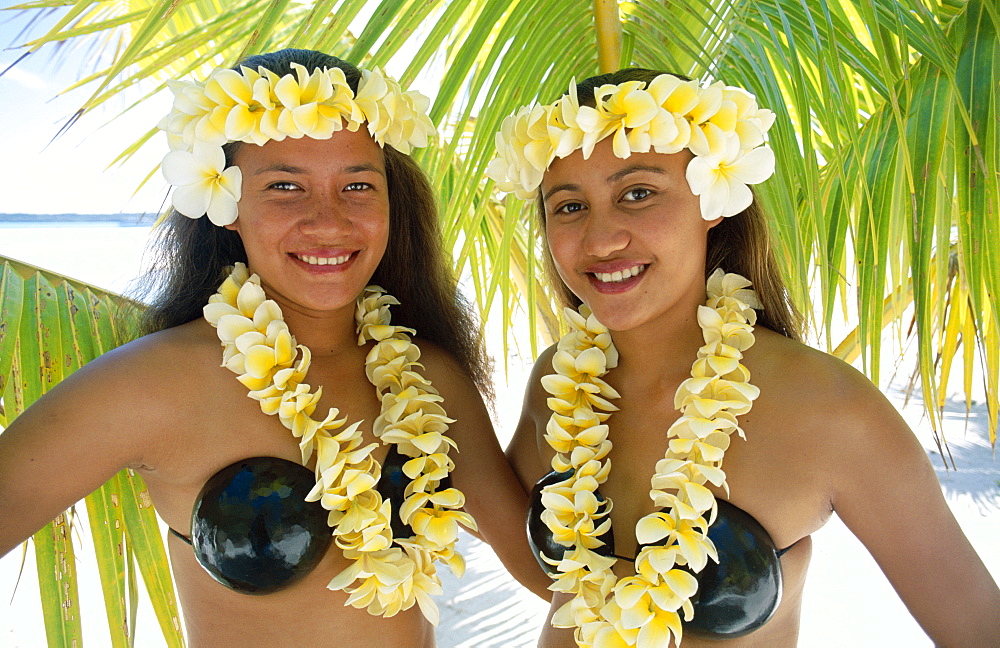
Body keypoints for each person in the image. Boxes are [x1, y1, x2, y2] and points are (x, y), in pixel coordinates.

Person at [0, 48, 549, 647]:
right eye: (285, 185)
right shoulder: (155, 383)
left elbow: (547, 570)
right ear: (227, 205)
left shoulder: (427, 377)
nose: (328, 221)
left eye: (357, 185)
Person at [491, 68, 1000, 647]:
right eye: (569, 206)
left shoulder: (830, 411)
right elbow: (526, 551)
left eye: (638, 194)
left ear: (714, 198)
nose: (602, 239)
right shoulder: (560, 382)